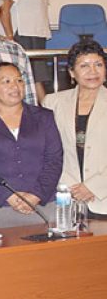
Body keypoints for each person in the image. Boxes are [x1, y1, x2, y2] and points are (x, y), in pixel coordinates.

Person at [0, 62, 62, 228]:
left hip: (42, 206)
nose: (15, 86)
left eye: (19, 80)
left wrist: (35, 195)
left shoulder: (43, 117)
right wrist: (6, 195)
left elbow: (54, 160)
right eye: (6, 81)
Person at [43, 40, 107, 219]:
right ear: (72, 72)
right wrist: (69, 186)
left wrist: (93, 186)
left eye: (98, 65)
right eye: (84, 65)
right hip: (66, 197)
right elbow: (47, 151)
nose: (92, 71)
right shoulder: (52, 102)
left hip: (103, 197)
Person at [1, 0, 51, 102]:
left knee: (37, 75)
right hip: (23, 35)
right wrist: (9, 36)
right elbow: (4, 8)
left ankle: (43, 108)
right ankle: (43, 107)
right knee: (32, 75)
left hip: (35, 34)